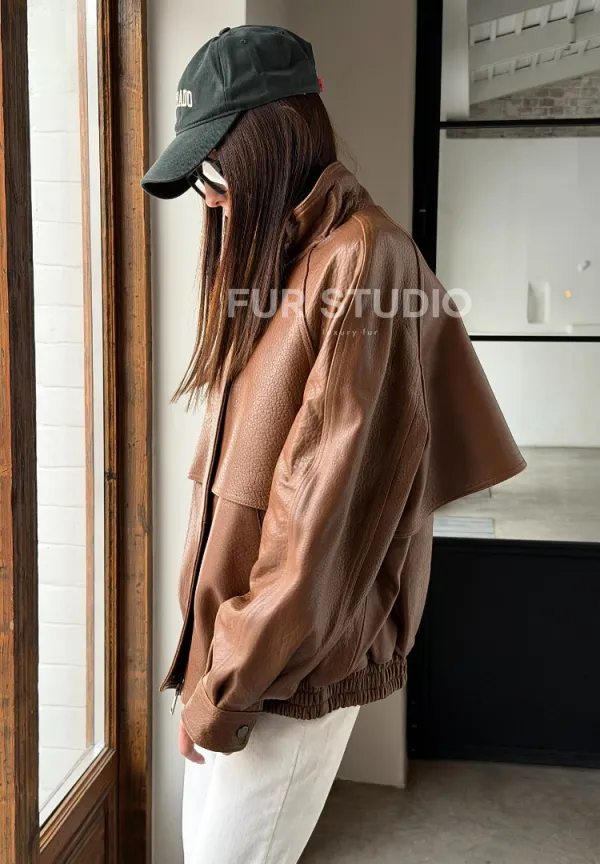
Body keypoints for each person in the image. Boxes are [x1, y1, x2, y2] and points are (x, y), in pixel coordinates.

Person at [141, 24, 526, 864]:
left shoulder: (364, 261)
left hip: (286, 665)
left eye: (214, 167)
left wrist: (225, 689)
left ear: (273, 136)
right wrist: (204, 667)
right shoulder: (282, 258)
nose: (208, 195)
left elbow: (318, 529)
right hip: (239, 654)